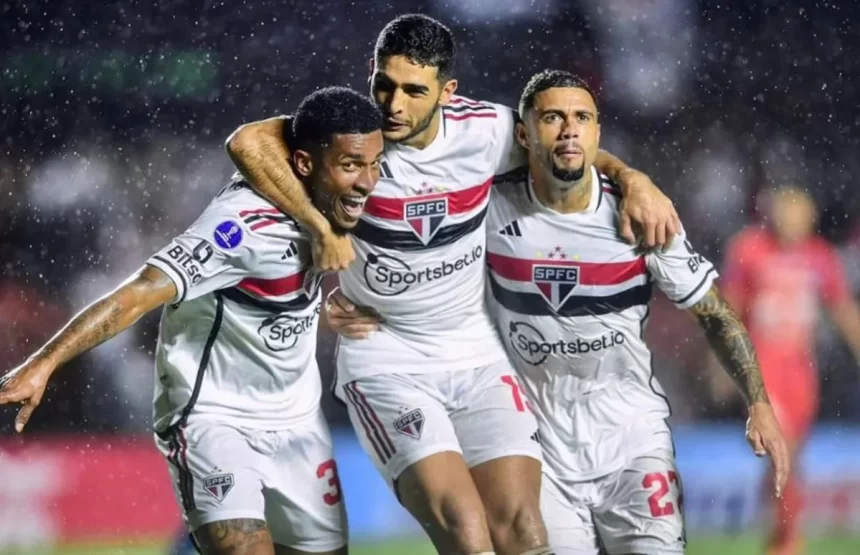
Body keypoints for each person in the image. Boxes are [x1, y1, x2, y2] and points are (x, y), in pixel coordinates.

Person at [225, 14, 681, 555]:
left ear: (448, 91)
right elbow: (248, 141)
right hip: (387, 360)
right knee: (468, 533)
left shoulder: (485, 130)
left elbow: (565, 148)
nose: (394, 105)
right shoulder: (349, 132)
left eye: (415, 91)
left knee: (526, 534)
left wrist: (634, 178)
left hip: (475, 353)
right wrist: (321, 227)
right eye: (384, 84)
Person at [327, 69, 792, 554]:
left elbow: (714, 313)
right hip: (538, 447)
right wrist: (354, 300)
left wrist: (758, 403)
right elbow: (418, 257)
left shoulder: (641, 217)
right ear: (524, 135)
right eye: (553, 117)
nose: (569, 129)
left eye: (582, 118)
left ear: (597, 133)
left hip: (632, 438)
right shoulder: (488, 208)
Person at [0, 86, 385, 555]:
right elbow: (138, 293)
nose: (368, 180)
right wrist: (45, 362)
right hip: (214, 418)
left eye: (374, 165)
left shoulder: (344, 197)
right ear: (304, 163)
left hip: (297, 424)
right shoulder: (241, 225)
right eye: (351, 166)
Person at [718, 186, 860, 555]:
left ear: (810, 218)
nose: (791, 222)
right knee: (783, 449)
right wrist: (720, 363)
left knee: (791, 459)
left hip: (801, 372)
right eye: (786, 213)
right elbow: (728, 310)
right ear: (773, 215)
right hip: (762, 369)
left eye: (799, 215)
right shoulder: (748, 250)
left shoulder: (819, 256)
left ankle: (781, 534)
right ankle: (788, 540)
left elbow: (842, 308)